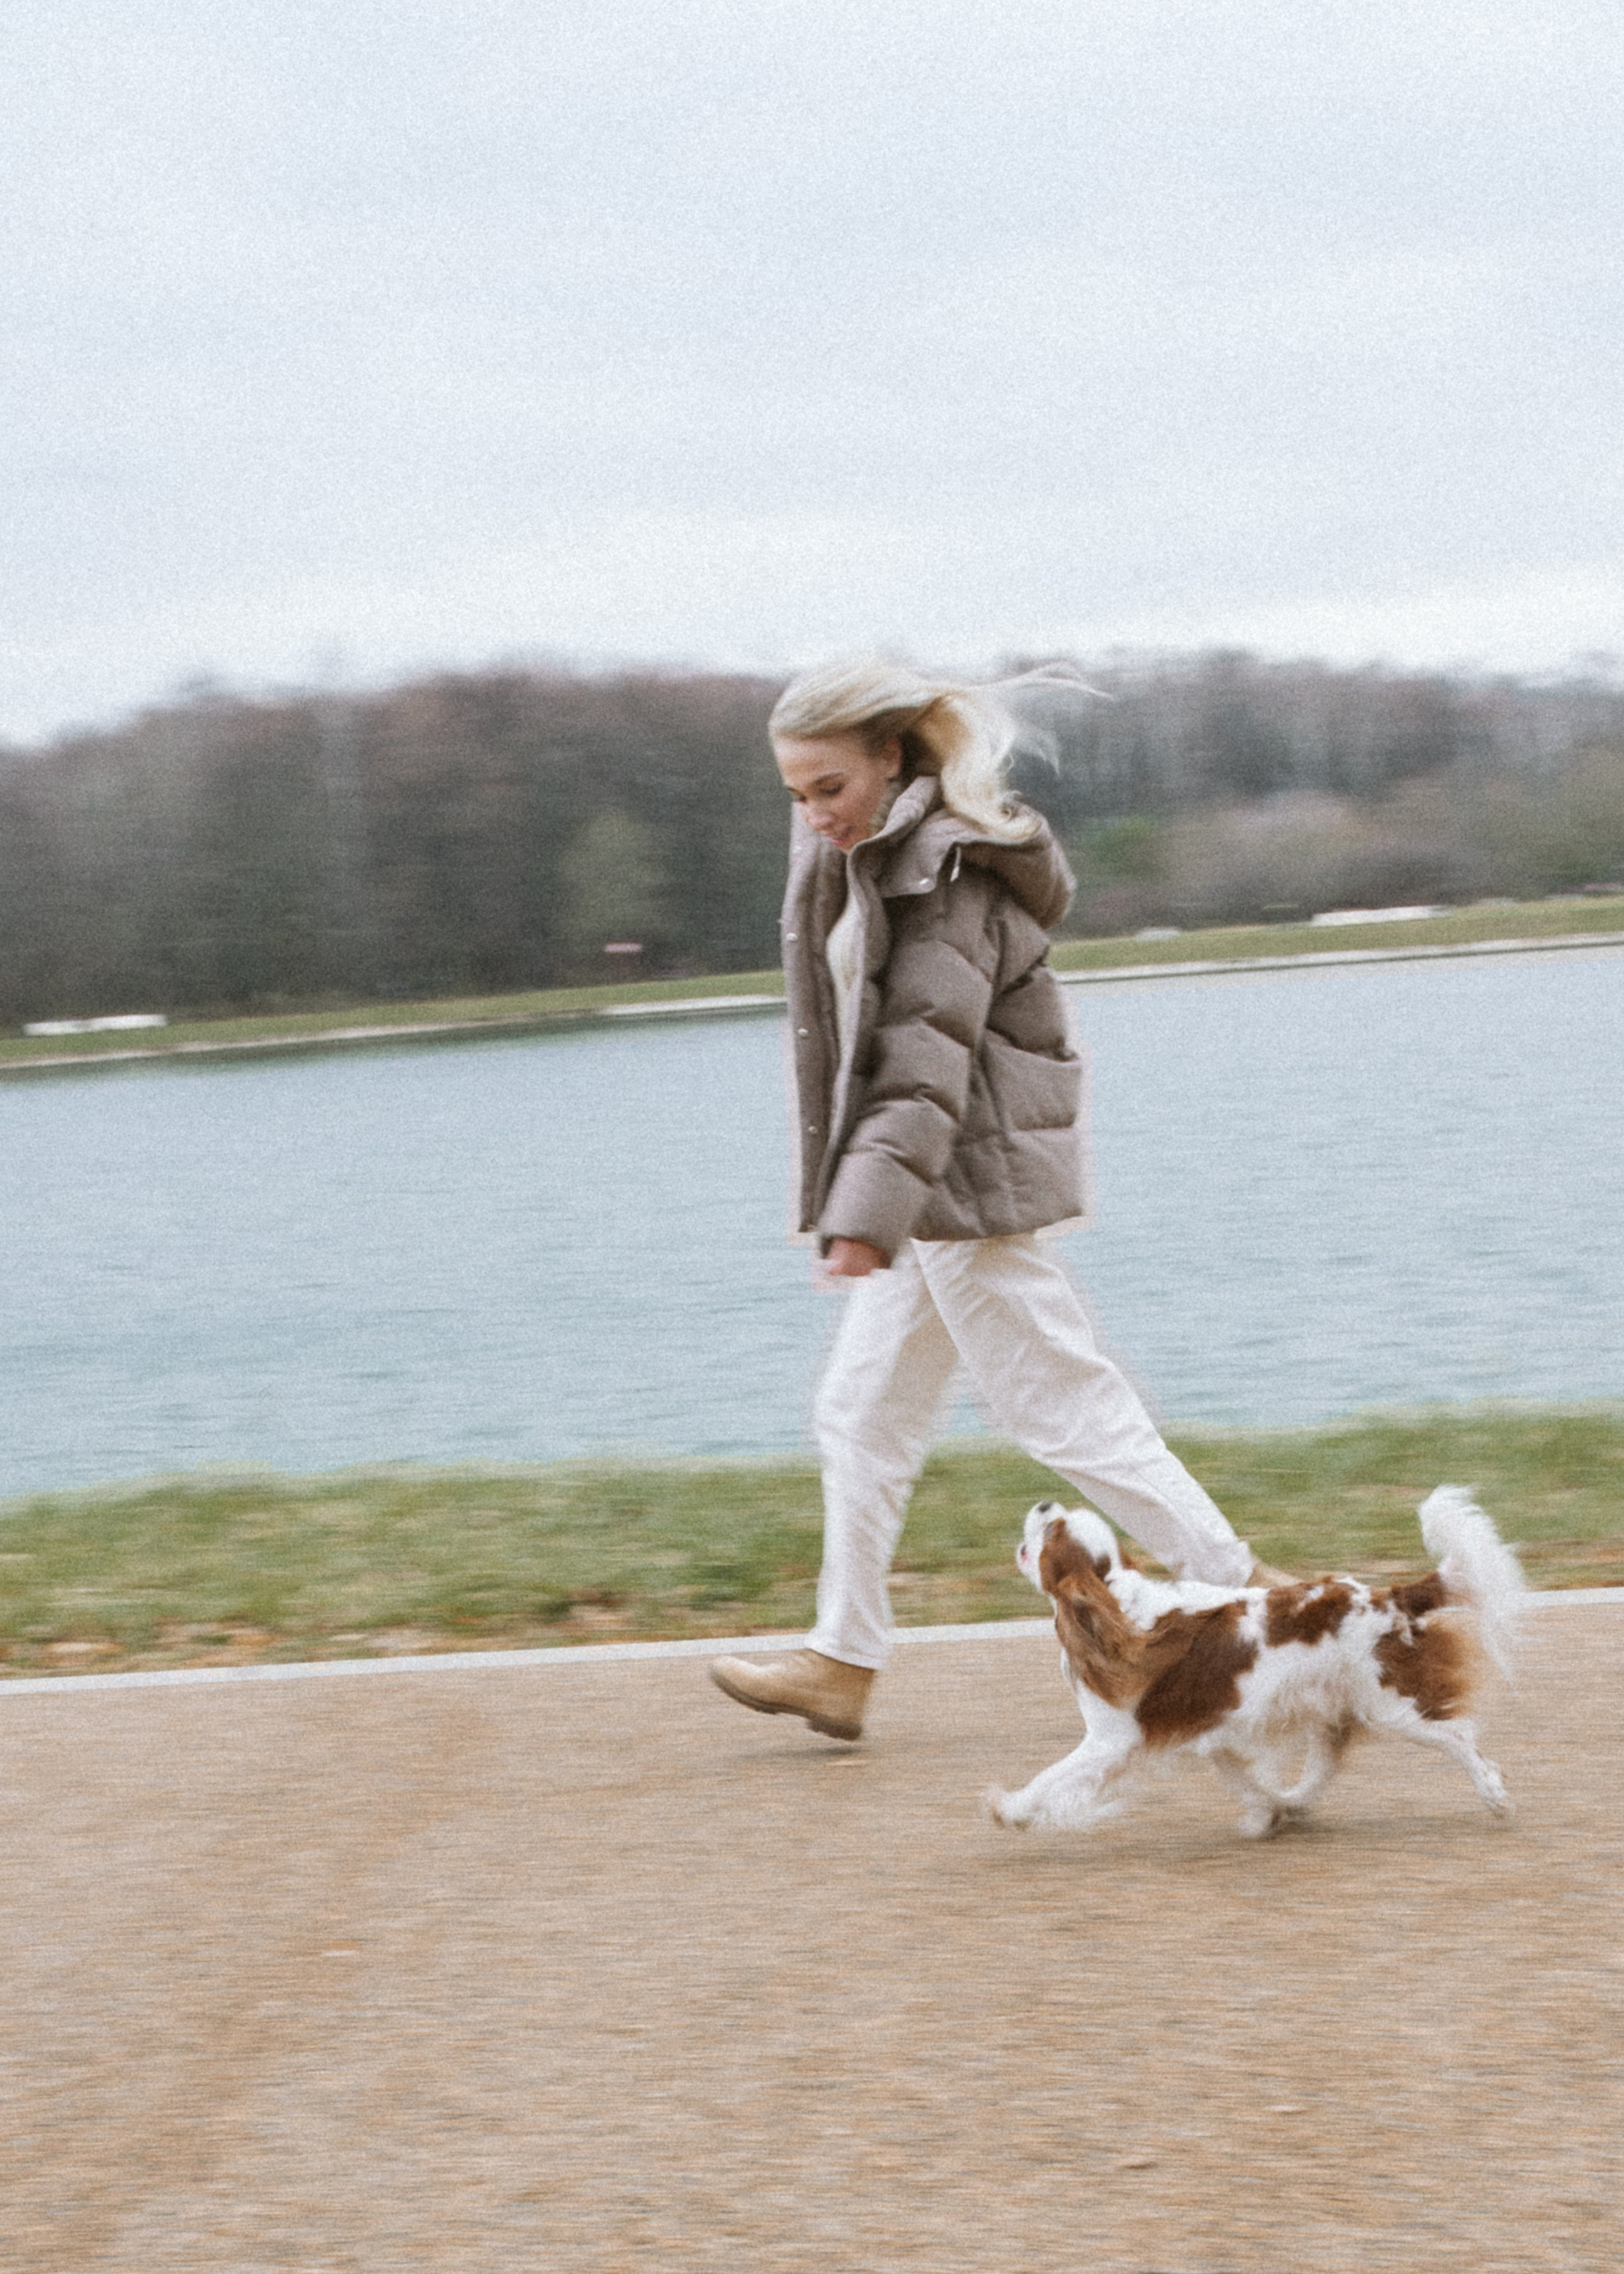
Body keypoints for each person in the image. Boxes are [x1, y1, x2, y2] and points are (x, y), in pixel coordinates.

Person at [709, 659, 1280, 1742]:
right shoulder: (865, 852)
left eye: (828, 787)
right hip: (923, 1193)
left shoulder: (949, 875)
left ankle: (1266, 1604)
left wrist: (860, 1215)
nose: (813, 813)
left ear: (892, 755)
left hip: (964, 1187)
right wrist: (869, 1204)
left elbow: (922, 1065)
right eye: (795, 794)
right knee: (861, 1415)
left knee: (1066, 1410)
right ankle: (843, 1660)